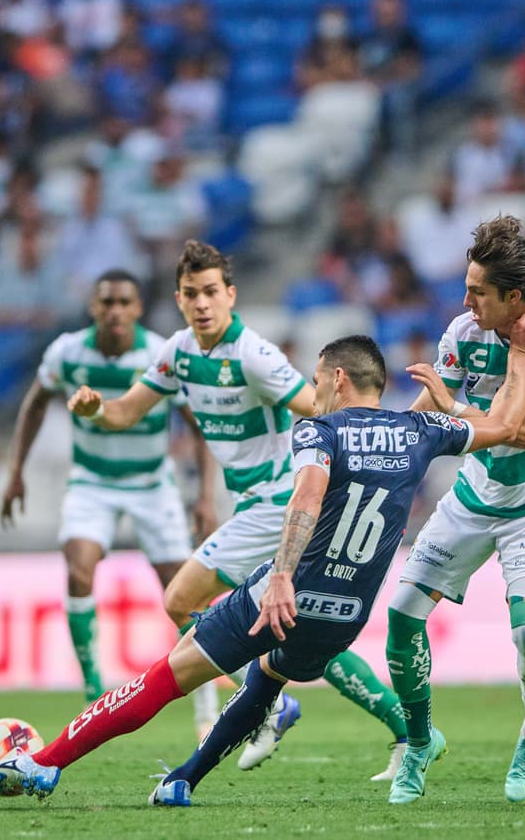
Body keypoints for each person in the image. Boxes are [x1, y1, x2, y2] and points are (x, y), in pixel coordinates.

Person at [0, 325, 525, 804]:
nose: (314, 391)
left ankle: (44, 762)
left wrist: (283, 577)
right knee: (266, 678)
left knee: (166, 675)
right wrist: (517, 355)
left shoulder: (318, 430)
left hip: (286, 594)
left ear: (337, 379)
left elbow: (306, 499)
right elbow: (509, 427)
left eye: (317, 380)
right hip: (346, 617)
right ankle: (182, 781)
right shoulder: (422, 429)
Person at [61, 240, 411, 776]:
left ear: (230, 295)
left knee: (182, 599)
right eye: (191, 294)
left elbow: (319, 408)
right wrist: (95, 409)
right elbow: (127, 412)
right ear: (179, 299)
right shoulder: (178, 351)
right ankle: (387, 723)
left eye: (211, 293)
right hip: (251, 505)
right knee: (295, 632)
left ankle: (264, 701)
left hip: (278, 505)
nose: (202, 304)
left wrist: (364, 447)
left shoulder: (253, 354)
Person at [386, 215, 525, 804]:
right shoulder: (463, 330)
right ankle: (420, 741)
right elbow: (427, 417)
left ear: (518, 299)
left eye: (479, 292)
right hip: (473, 497)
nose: (466, 300)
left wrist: (503, 372)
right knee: (401, 621)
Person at [0, 268, 216, 705]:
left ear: (137, 308)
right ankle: (93, 682)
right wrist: (15, 471)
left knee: (180, 588)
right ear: (93, 307)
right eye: (107, 302)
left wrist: (205, 497)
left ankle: (207, 704)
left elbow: (198, 427)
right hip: (91, 480)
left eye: (124, 303)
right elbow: (35, 404)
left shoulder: (160, 354)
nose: (115, 311)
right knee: (79, 567)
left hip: (152, 482)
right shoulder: (67, 352)